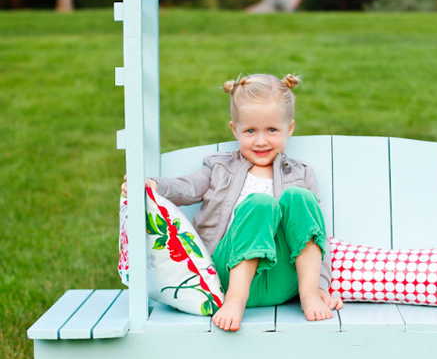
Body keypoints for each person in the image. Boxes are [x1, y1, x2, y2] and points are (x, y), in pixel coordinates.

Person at [122, 74, 342, 332]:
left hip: (283, 279)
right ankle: (235, 302)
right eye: (250, 131)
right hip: (228, 273)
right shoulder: (219, 167)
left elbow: (315, 235)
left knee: (300, 198)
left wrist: (321, 286)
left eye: (272, 130)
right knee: (260, 205)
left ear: (289, 128)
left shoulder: (301, 174)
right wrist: (157, 186)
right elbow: (187, 187)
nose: (261, 141)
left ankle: (309, 295)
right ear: (234, 129)